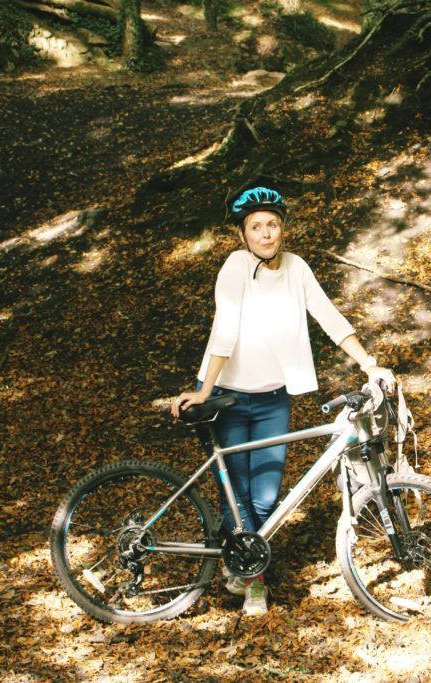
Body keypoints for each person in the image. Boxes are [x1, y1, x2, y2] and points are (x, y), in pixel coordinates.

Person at [171, 186, 395, 616]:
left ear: (282, 228)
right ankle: (251, 577)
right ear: (242, 235)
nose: (266, 233)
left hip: (273, 397)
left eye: (272, 224)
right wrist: (204, 391)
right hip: (227, 397)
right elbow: (226, 329)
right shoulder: (235, 267)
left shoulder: (296, 268)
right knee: (236, 493)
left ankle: (241, 553)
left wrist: (368, 363)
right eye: (256, 227)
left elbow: (328, 315)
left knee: (266, 494)